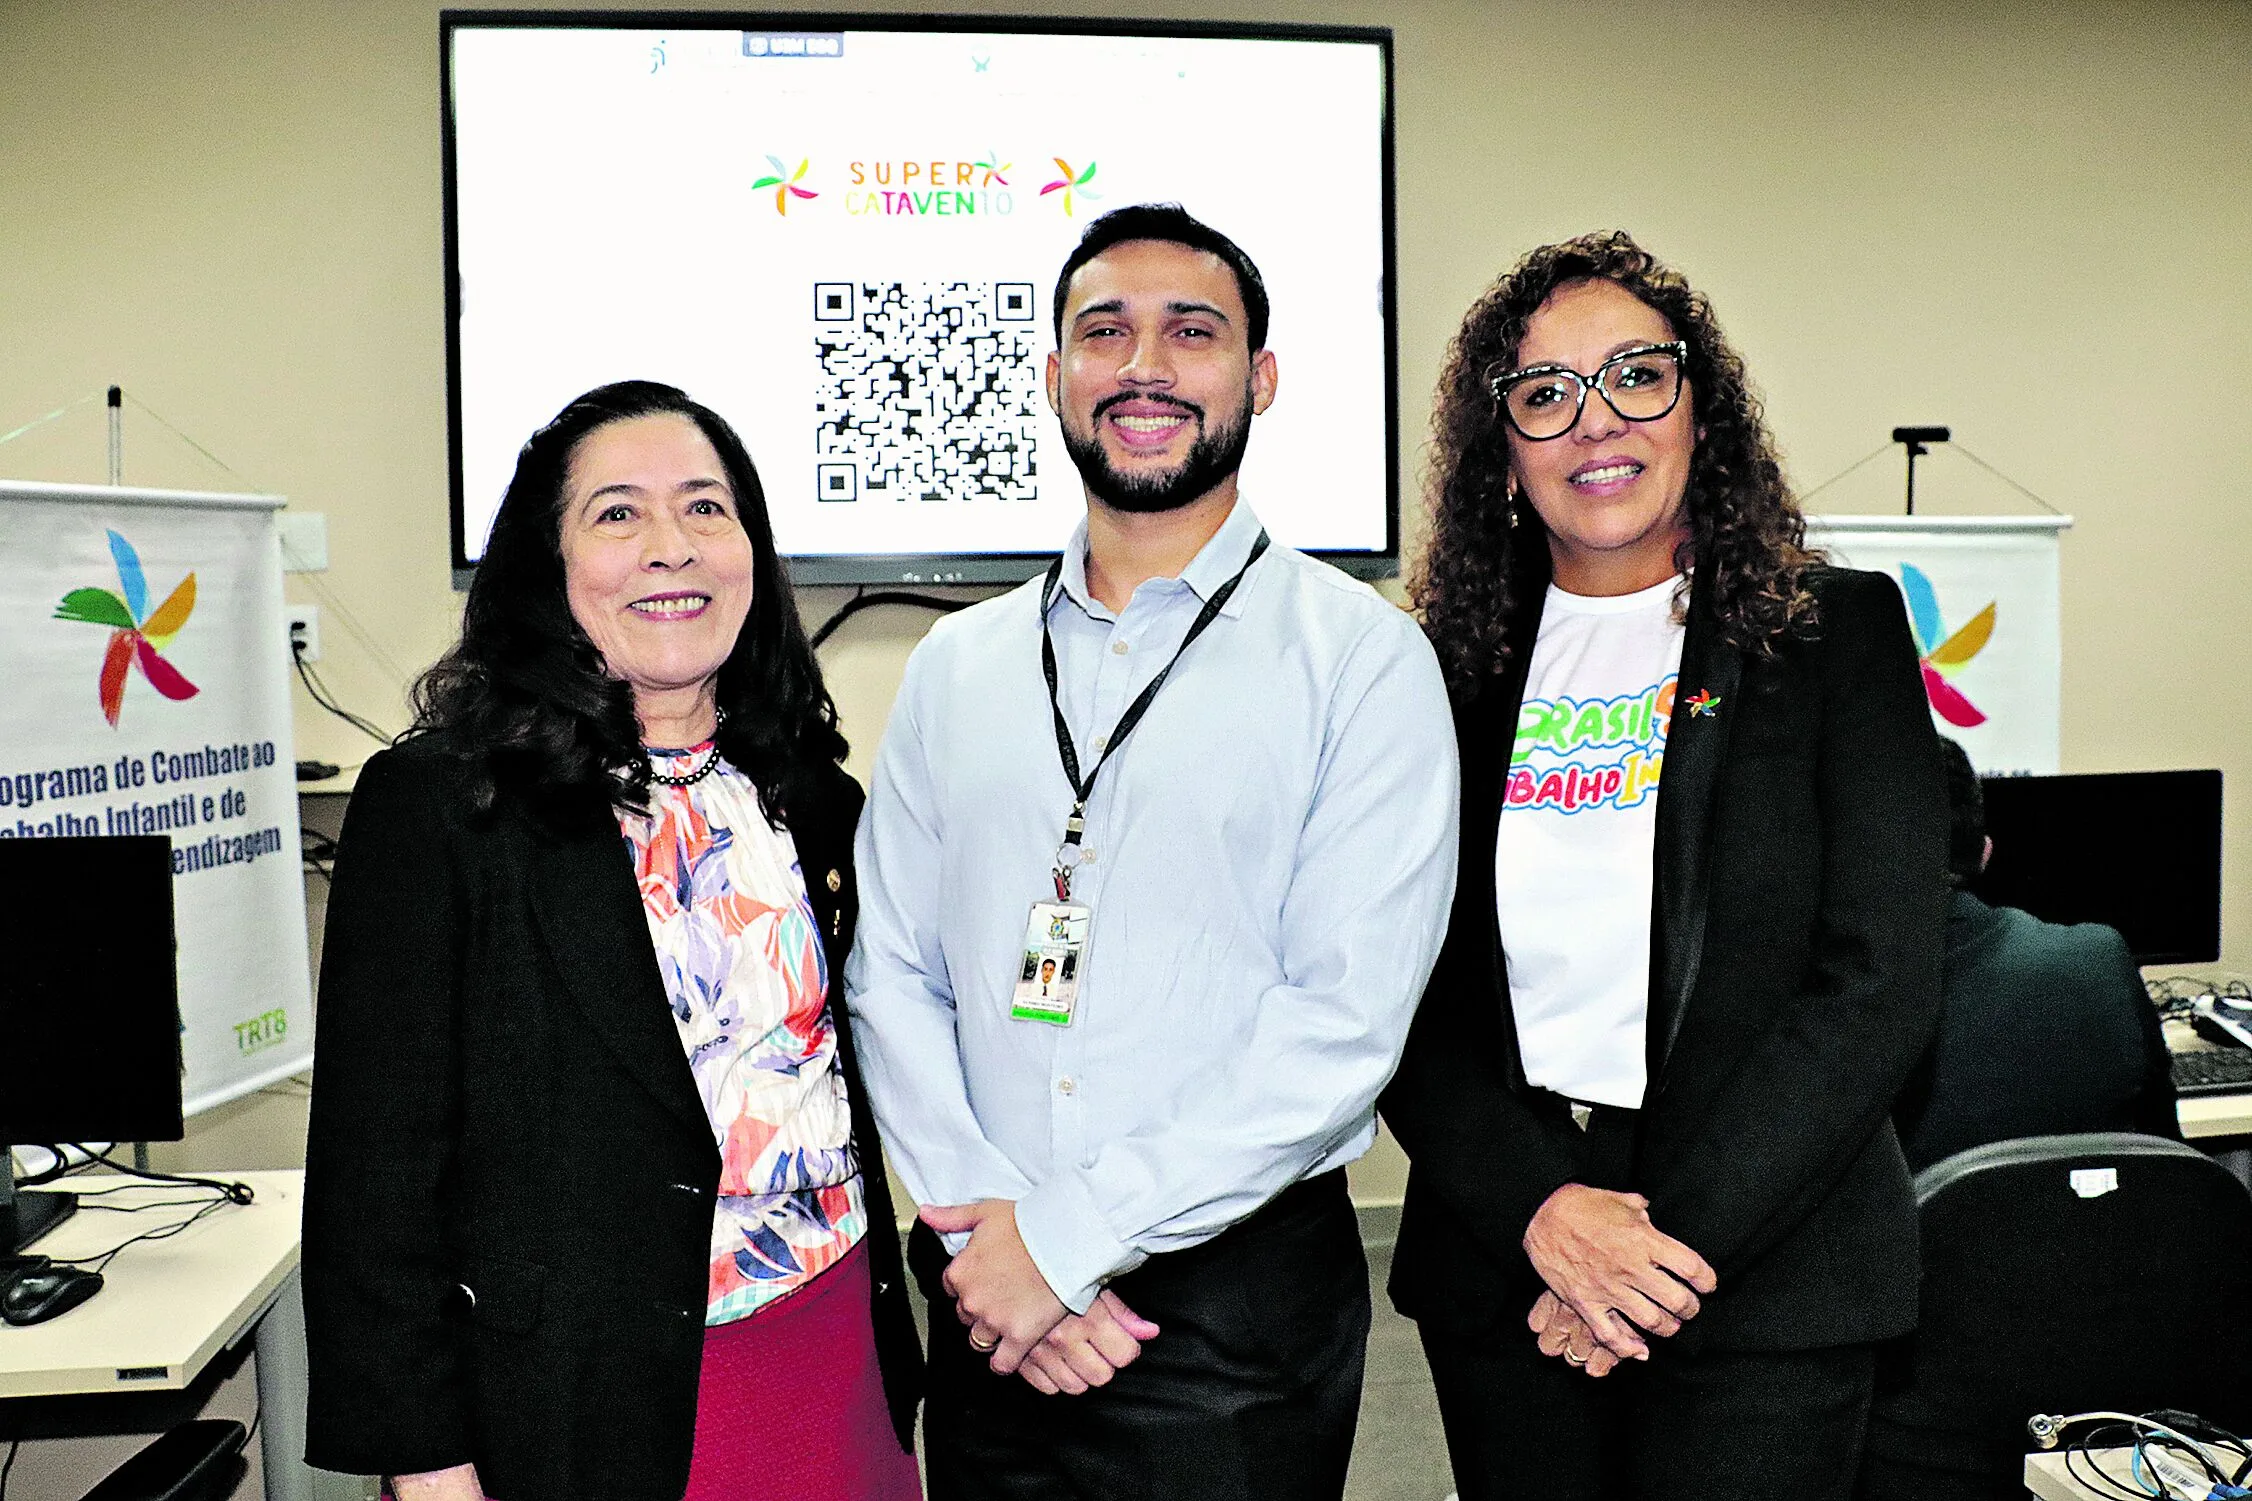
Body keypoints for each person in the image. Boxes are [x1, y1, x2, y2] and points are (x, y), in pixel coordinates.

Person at [846, 203, 1458, 1501]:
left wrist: (1067, 1243)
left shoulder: (1360, 662)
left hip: (1229, 1317)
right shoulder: (958, 667)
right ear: (1053, 374)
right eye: (1104, 331)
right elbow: (891, 971)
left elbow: (1342, 1024)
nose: (1145, 365)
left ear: (1262, 378)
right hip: (982, 1292)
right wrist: (988, 1237)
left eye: (1193, 332)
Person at [1382, 231, 1947, 1501]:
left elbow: (1877, 979)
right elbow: (1392, 988)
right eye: (1544, 395)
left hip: (1768, 1265)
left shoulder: (1829, 636)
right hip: (1509, 1254)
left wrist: (1648, 1251)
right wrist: (1545, 1212)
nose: (1596, 423)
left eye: (1636, 375)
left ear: (1700, 404)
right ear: (1502, 452)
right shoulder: (1435, 677)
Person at [301, 382, 920, 1501]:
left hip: (830, 1358)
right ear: (550, 567)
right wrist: (426, 1462)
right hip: (579, 1402)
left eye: (705, 508)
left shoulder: (815, 799)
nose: (670, 548)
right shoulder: (442, 807)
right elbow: (374, 1173)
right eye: (617, 514)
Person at [1891, 739, 2178, 1172]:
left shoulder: (1829, 1000)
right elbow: (2165, 1149)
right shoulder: (2099, 958)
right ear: (1985, 853)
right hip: (2100, 1236)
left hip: (1934, 1240)